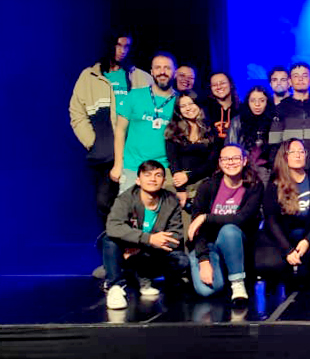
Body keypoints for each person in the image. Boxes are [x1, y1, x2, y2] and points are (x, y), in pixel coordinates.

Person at [70, 32, 153, 228]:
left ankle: (135, 243)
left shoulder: (140, 77)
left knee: (138, 204)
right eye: (118, 45)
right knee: (104, 203)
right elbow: (77, 113)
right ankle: (114, 243)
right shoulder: (89, 77)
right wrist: (93, 142)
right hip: (105, 154)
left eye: (127, 46)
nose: (122, 51)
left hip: (135, 153)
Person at [101, 160, 189, 309]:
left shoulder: (171, 200)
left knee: (181, 260)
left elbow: (175, 236)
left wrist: (142, 246)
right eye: (147, 175)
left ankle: (141, 277)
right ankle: (115, 286)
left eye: (158, 175)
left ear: (164, 181)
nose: (153, 179)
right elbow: (113, 227)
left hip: (149, 253)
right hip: (127, 250)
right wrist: (148, 239)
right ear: (138, 180)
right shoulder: (126, 199)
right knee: (109, 240)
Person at [256, 139, 310, 289]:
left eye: (301, 151)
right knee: (267, 263)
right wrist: (287, 249)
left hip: (307, 234)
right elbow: (271, 220)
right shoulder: (275, 182)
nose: (298, 155)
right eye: (293, 152)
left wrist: (307, 240)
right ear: (284, 156)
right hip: (281, 236)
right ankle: (284, 272)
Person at [186, 144, 264, 301]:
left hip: (237, 243)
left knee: (229, 230)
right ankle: (218, 267)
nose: (231, 162)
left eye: (235, 158)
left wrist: (206, 217)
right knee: (206, 291)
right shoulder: (207, 187)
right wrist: (203, 260)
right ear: (220, 163)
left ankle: (237, 283)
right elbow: (197, 230)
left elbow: (242, 218)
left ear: (244, 161)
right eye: (226, 159)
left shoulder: (254, 186)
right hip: (209, 246)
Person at [111, 52, 179, 195]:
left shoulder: (180, 102)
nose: (162, 72)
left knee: (166, 209)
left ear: (175, 72)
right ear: (151, 71)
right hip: (132, 168)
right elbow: (120, 131)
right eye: (158, 68)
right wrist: (117, 165)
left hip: (165, 170)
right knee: (129, 208)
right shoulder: (134, 95)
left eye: (167, 68)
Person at [268, 62, 310, 174]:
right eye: (296, 76)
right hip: (288, 168)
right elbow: (274, 141)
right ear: (290, 81)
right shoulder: (281, 107)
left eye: (305, 75)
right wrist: (277, 165)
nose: (300, 79)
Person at [164, 92, 220, 207]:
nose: (188, 108)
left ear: (198, 104)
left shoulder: (210, 130)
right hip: (177, 181)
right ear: (178, 110)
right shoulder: (173, 129)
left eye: (191, 104)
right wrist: (180, 189)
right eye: (183, 106)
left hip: (202, 180)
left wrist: (188, 177)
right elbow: (173, 161)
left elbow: (212, 163)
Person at [227, 86, 275, 184]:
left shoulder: (274, 122)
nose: (257, 104)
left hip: (267, 171)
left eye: (262, 100)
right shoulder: (237, 121)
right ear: (247, 102)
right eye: (253, 101)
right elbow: (230, 148)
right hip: (243, 170)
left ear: (267, 102)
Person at [201, 72, 240, 140]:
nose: (219, 87)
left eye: (223, 83)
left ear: (231, 84)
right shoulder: (204, 110)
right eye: (214, 85)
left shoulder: (242, 109)